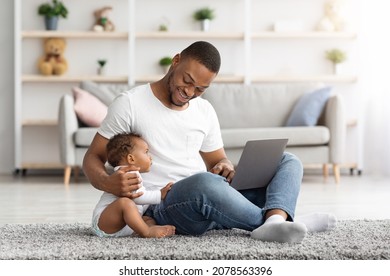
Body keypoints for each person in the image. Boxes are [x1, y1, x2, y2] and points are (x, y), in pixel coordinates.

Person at [84, 41, 336, 243]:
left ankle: (274, 222)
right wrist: (108, 182)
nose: (190, 93)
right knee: (204, 183)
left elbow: (217, 160)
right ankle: (282, 219)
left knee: (286, 160)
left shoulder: (204, 110)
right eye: (187, 81)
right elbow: (92, 158)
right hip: (162, 206)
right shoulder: (130, 103)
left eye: (200, 89)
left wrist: (225, 166)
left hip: (211, 196)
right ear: (176, 61)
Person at [92, 132, 176, 238]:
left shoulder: (131, 174)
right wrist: (160, 194)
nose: (150, 157)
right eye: (146, 152)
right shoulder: (126, 174)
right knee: (125, 203)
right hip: (104, 222)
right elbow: (138, 198)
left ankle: (148, 227)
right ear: (131, 159)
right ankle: (147, 232)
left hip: (122, 226)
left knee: (148, 219)